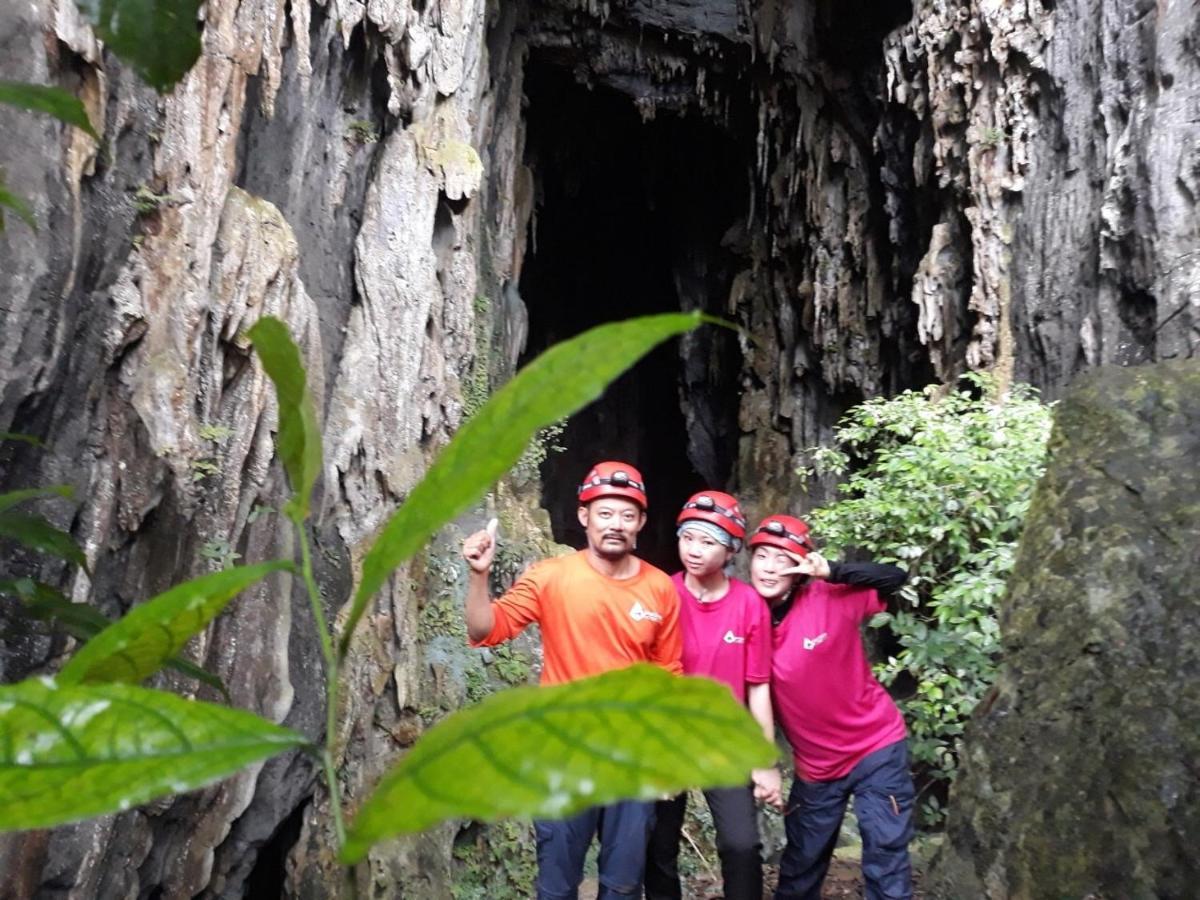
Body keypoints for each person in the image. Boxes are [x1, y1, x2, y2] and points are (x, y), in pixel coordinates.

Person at [462, 460, 682, 900]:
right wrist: (479, 575)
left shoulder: (660, 589)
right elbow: (485, 629)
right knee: (557, 885)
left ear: (640, 522)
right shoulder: (551, 577)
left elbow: (668, 675)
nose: (614, 525)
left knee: (622, 885)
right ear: (584, 517)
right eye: (604, 513)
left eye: (626, 515)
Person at [747, 514, 914, 900]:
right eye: (763, 556)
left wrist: (833, 570)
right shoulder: (745, 614)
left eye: (782, 558)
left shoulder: (830, 597)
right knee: (801, 865)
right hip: (816, 766)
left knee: (885, 856)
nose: (770, 568)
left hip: (875, 746)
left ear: (800, 567)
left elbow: (895, 577)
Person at [643, 490, 780, 900]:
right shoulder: (662, 594)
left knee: (741, 845)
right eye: (688, 538)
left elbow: (757, 686)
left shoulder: (749, 604)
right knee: (657, 846)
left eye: (708, 542)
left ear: (731, 549)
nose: (694, 550)